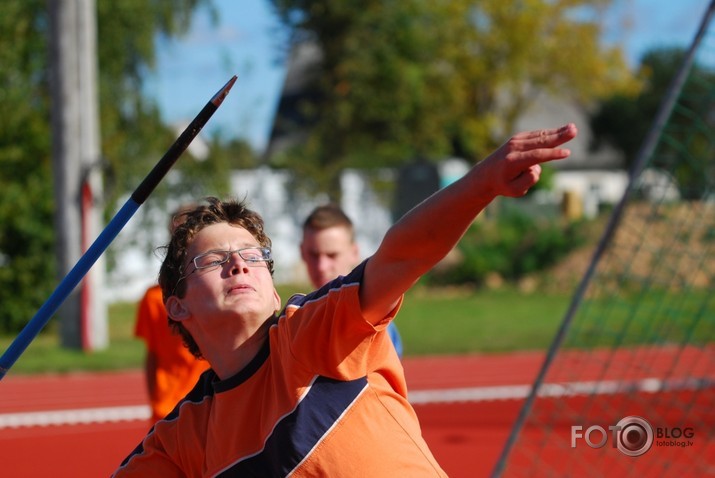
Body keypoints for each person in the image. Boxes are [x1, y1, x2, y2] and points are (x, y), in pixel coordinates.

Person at [114, 123, 577, 477]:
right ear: (174, 305)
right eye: (214, 260)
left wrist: (482, 183)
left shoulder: (309, 334)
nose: (238, 265)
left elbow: (401, 254)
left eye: (252, 256)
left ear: (273, 289)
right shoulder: (186, 437)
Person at [133, 205, 210, 423]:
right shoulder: (153, 298)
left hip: (210, 402)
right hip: (167, 406)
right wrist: (153, 400)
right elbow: (152, 355)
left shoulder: (216, 294)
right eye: (177, 236)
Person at [301, 203, 403, 357]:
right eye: (314, 255)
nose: (322, 266)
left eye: (332, 255)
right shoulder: (294, 320)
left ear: (354, 253)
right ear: (302, 252)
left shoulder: (375, 323)